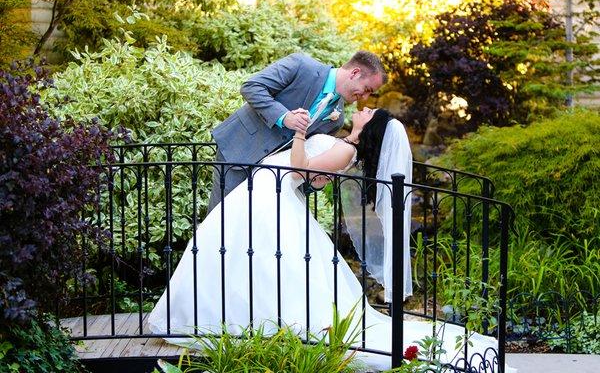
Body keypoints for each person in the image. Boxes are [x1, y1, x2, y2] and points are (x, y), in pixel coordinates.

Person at [148, 107, 512, 371]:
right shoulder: (344, 144)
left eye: (371, 112)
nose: (364, 107)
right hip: (265, 196)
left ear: (371, 128)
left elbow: (299, 168)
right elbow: (315, 177)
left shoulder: (348, 148)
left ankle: (243, 323)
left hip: (269, 197)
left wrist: (301, 134)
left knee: (253, 262)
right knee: (247, 262)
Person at [207, 50, 387, 212]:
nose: (365, 97)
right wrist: (284, 117)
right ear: (355, 73)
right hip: (240, 150)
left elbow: (306, 159)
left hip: (270, 180)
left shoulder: (337, 119)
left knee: (248, 229)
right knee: (220, 219)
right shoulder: (301, 65)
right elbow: (252, 87)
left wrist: (315, 182)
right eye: (367, 89)